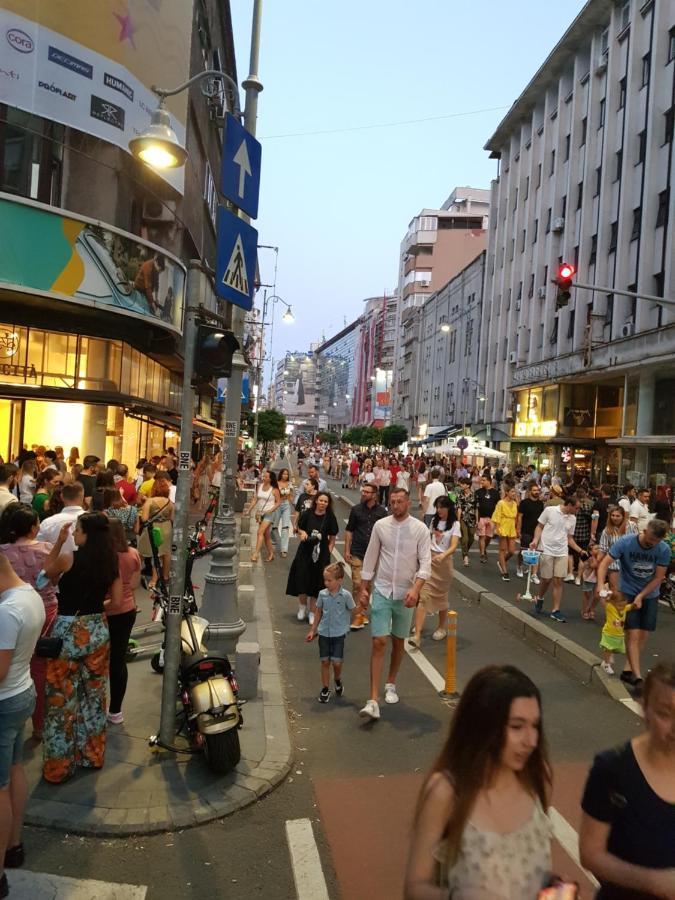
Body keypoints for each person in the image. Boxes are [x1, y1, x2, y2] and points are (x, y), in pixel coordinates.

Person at [404, 665, 554, 899]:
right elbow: (414, 887)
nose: (531, 740)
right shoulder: (446, 792)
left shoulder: (536, 780)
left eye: (535, 725)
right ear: (484, 725)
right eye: (517, 727)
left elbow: (536, 877)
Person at [579, 662, 675, 898]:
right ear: (644, 708)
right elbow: (590, 853)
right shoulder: (613, 769)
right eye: (664, 713)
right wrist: (653, 882)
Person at [41, 513, 121, 783]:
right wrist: (94, 610)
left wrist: (58, 543)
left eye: (77, 529)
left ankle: (59, 766)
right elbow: (118, 599)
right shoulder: (111, 562)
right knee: (95, 696)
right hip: (98, 629)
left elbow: (44, 578)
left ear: (86, 532)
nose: (74, 533)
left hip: (67, 630)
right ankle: (93, 755)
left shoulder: (69, 557)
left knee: (61, 698)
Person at [358, 487, 431, 721]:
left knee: (398, 641)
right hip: (382, 589)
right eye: (392, 501)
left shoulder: (420, 529)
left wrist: (415, 589)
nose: (396, 505)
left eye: (400, 501)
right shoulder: (381, 526)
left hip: (405, 593)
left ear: (408, 503)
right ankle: (372, 700)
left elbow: (425, 564)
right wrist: (363, 588)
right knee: (379, 641)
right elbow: (370, 557)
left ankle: (391, 682)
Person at [0, 552, 45, 894]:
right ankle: (13, 846)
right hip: (23, 692)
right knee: (15, 768)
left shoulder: (6, 612)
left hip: (4, 702)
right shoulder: (28, 593)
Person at [0, 505, 59, 739]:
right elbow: (55, 579)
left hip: (11, 612)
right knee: (41, 668)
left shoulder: (3, 551)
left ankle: (12, 722)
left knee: (12, 664)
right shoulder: (46, 550)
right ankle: (39, 725)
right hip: (44, 610)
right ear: (34, 528)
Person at [595, 518, 670, 688]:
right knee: (633, 633)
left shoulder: (663, 550)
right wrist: (601, 585)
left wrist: (642, 595)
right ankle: (637, 676)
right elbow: (604, 564)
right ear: (644, 531)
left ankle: (628, 670)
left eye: (654, 542)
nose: (650, 544)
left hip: (650, 594)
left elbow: (659, 577)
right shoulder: (626, 542)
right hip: (627, 590)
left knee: (644, 633)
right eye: (649, 539)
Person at [410, 496, 460, 649]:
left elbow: (453, 545)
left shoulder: (455, 524)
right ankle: (417, 634)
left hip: (444, 565)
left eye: (441, 507)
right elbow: (427, 539)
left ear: (448, 508)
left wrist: (443, 555)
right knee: (423, 596)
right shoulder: (433, 522)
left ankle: (441, 627)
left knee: (441, 597)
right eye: (437, 507)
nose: (438, 510)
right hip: (430, 561)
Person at [530, 495, 589, 624]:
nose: (578, 511)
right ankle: (539, 598)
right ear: (569, 505)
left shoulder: (573, 518)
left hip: (562, 552)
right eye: (577, 508)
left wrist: (580, 550)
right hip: (546, 549)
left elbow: (569, 538)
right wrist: (535, 540)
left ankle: (555, 610)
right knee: (546, 579)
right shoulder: (550, 510)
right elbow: (539, 526)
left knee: (558, 580)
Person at [105, 519, 140, 725]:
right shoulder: (133, 553)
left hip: (105, 610)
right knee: (118, 661)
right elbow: (134, 584)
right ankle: (116, 710)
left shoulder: (105, 557)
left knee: (98, 659)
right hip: (127, 609)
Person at [306, 562, 355, 703]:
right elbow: (318, 612)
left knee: (337, 662)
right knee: (324, 661)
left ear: (339, 580)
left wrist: (362, 605)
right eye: (325, 580)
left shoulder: (346, 596)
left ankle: (337, 679)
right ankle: (325, 688)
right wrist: (313, 630)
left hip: (339, 634)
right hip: (323, 633)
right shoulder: (322, 594)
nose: (326, 583)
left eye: (329, 580)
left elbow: (353, 609)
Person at [286, 492, 339, 625]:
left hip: (321, 555)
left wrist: (328, 552)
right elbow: (299, 529)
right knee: (302, 579)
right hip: (304, 552)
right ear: (316, 501)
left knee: (317, 584)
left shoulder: (330, 518)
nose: (323, 503)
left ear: (328, 504)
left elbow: (332, 538)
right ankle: (302, 607)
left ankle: (312, 612)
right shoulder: (307, 514)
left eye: (325, 501)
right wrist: (302, 533)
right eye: (321, 500)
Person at [344, 482, 387, 631]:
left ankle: (362, 611)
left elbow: (385, 533)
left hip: (374, 554)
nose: (363, 494)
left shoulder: (382, 512)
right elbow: (349, 530)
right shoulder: (355, 510)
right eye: (363, 491)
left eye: (367, 492)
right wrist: (346, 550)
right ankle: (358, 616)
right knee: (357, 584)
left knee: (367, 585)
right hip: (357, 551)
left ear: (374, 495)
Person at [36, 482, 85, 554]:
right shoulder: (95, 520)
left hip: (55, 563)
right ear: (82, 496)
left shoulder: (48, 523)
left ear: (61, 497)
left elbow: (38, 549)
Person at [598, 505, 638, 592]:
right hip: (614, 565)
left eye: (617, 516)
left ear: (623, 516)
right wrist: (598, 564)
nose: (615, 518)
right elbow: (603, 549)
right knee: (615, 591)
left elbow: (637, 542)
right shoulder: (607, 530)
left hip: (629, 564)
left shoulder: (632, 526)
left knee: (629, 590)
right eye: (613, 515)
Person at [597, 588, 633, 676]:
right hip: (609, 632)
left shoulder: (624, 609)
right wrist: (604, 596)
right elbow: (603, 602)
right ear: (613, 603)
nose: (622, 608)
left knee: (614, 648)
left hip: (618, 635)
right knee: (608, 648)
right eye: (620, 606)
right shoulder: (610, 607)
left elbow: (629, 607)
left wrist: (634, 605)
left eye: (623, 606)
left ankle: (606, 660)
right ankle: (606, 664)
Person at [248, 470, 281, 563]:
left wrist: (270, 510)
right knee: (266, 535)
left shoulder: (274, 489)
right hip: (260, 514)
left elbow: (278, 502)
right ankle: (271, 553)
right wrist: (249, 510)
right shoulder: (260, 486)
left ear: (270, 479)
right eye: (264, 476)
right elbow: (255, 499)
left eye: (266, 477)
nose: (264, 478)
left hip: (269, 514)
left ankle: (256, 554)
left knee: (259, 532)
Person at [517, 482, 544, 581]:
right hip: (525, 530)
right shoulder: (524, 503)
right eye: (534, 490)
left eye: (538, 490)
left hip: (537, 531)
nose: (537, 492)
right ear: (529, 492)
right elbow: (520, 517)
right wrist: (518, 529)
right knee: (523, 550)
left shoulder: (541, 504)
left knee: (536, 552)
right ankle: (519, 566)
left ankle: (534, 573)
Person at [492, 486, 519, 581]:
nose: (514, 493)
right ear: (507, 492)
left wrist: (517, 528)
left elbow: (516, 517)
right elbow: (497, 516)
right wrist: (497, 528)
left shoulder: (515, 503)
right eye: (512, 491)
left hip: (511, 526)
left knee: (512, 551)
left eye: (514, 492)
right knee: (502, 549)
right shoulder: (501, 503)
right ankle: (504, 571)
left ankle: (501, 561)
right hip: (503, 525)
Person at [474, 474, 499, 563]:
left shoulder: (495, 493)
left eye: (484, 480)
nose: (482, 482)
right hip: (481, 518)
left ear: (489, 481)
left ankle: (484, 549)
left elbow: (497, 506)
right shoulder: (478, 492)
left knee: (488, 537)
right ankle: (482, 554)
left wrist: (497, 520)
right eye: (481, 480)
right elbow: (476, 507)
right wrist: (476, 520)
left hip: (492, 519)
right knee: (482, 537)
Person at [455, 478, 477, 568]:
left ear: (468, 485)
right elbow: (459, 508)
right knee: (465, 538)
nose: (461, 485)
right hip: (463, 518)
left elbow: (476, 508)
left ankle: (465, 550)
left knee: (471, 537)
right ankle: (465, 556)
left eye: (463, 484)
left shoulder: (474, 495)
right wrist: (458, 520)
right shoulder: (459, 495)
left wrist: (478, 520)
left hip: (472, 518)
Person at [274, 468, 294, 558]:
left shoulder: (289, 484)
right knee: (274, 527)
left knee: (285, 527)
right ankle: (274, 543)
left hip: (286, 505)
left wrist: (292, 502)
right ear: (281, 474)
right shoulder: (276, 483)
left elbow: (291, 496)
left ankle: (284, 549)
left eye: (287, 474)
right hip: (277, 505)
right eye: (284, 474)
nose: (285, 476)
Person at [580, 544, 601, 620]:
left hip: (598, 579)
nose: (598, 550)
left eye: (599, 548)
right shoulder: (590, 558)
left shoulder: (600, 557)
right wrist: (598, 559)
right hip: (589, 579)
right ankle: (584, 610)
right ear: (591, 552)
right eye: (596, 549)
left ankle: (591, 608)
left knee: (597, 595)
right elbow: (593, 565)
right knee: (587, 595)